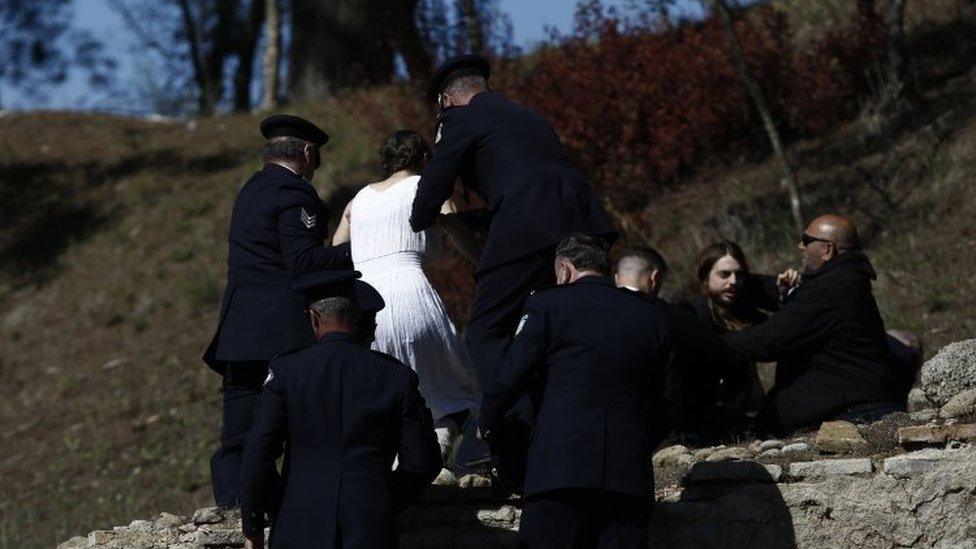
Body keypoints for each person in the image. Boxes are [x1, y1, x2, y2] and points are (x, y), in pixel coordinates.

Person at [409, 54, 617, 488]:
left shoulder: (460, 120)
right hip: (581, 219)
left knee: (488, 330)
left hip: (527, 226)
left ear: (447, 99)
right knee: (565, 326)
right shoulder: (527, 115)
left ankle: (507, 428)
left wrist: (420, 215)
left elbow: (436, 184)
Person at [480, 234, 670, 548]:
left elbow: (509, 377)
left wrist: (488, 424)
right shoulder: (652, 316)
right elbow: (666, 401)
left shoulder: (547, 304)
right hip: (628, 479)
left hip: (558, 472)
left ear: (565, 270)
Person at [203, 114, 353, 508]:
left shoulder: (251, 191)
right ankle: (296, 504)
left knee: (240, 429)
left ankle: (235, 506)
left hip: (239, 330)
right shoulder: (295, 194)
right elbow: (302, 260)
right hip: (281, 332)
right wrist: (363, 249)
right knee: (300, 423)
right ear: (307, 153)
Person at [240, 271, 442, 549]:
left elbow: (258, 453)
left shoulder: (287, 372)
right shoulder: (395, 377)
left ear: (313, 318)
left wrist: (267, 514)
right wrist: (381, 499)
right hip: (371, 526)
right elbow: (422, 462)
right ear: (357, 316)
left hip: (297, 525)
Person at [332, 130, 481, 461]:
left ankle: (395, 473)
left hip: (363, 303)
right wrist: (485, 262)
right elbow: (454, 228)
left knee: (383, 401)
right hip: (409, 292)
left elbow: (336, 248)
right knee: (451, 392)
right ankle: (432, 463)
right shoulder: (426, 188)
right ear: (425, 160)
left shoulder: (358, 200)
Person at [725, 215, 912, 434]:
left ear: (827, 250)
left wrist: (711, 343)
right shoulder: (846, 280)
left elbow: (770, 340)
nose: (800, 246)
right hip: (861, 406)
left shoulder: (830, 288)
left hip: (855, 412)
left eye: (806, 240)